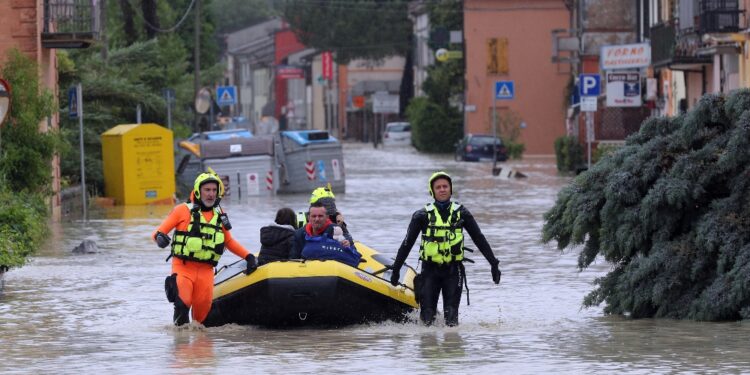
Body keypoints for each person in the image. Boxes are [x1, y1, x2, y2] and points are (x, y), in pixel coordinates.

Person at [390, 171, 501, 326]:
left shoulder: (462, 213)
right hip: (429, 271)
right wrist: (396, 269)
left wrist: (493, 263)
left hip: (453, 271)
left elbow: (479, 239)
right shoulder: (421, 215)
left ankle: (452, 347)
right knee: (427, 317)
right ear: (432, 191)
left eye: (445, 186)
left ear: (450, 189)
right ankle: (428, 346)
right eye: (438, 187)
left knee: (451, 318)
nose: (442, 189)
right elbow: (407, 244)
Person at [152, 172, 256, 326]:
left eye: (214, 190)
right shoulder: (182, 210)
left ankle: (200, 348)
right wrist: (160, 239)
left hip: (206, 272)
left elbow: (229, 241)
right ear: (198, 191)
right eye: (207, 190)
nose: (211, 194)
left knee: (200, 319)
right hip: (183, 268)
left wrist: (248, 256)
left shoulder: (219, 215)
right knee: (183, 303)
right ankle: (180, 345)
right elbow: (158, 233)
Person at [290, 201, 360, 267]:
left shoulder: (336, 230)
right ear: (309, 218)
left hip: (331, 270)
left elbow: (353, 254)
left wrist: (347, 244)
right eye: (314, 216)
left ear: (327, 217)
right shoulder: (299, 234)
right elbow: (293, 259)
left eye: (320, 216)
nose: (317, 219)